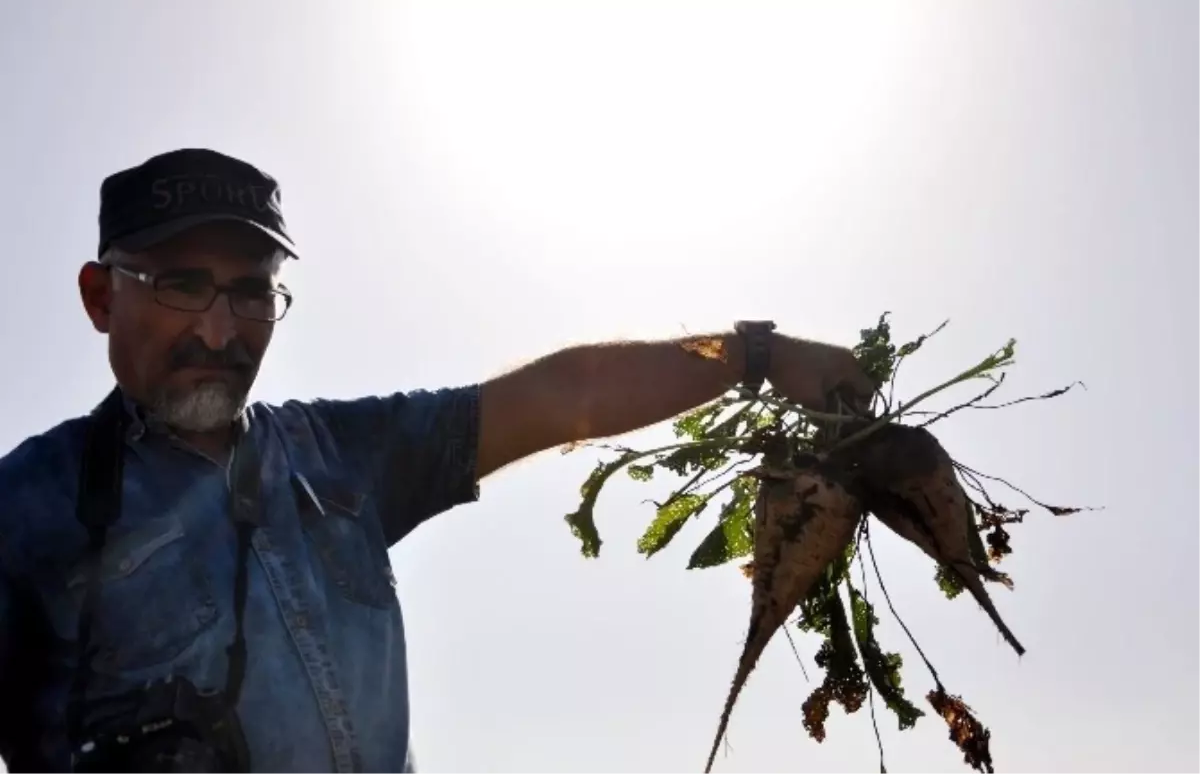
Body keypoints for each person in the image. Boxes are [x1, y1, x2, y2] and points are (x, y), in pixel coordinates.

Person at [0, 148, 876, 774]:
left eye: (251, 290)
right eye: (180, 284)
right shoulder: (26, 506)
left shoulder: (341, 455)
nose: (219, 330)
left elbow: (556, 395)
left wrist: (754, 357)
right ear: (99, 295)